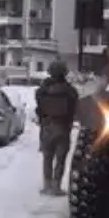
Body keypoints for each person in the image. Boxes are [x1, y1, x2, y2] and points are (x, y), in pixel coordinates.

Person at [34, 60, 78, 196]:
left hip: (46, 126)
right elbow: (74, 107)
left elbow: (39, 107)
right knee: (60, 159)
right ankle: (56, 186)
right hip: (63, 127)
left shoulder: (42, 90)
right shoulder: (70, 91)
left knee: (47, 157)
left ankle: (46, 185)